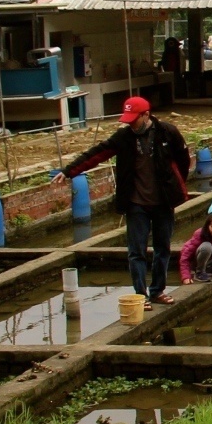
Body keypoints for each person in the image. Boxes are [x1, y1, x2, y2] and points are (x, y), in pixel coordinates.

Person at [58, 96, 190, 305]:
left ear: (146, 115)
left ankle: (157, 291)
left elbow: (183, 160)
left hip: (163, 202)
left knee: (162, 248)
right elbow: (97, 153)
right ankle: (140, 295)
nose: (130, 124)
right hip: (136, 202)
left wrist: (176, 187)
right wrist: (69, 171)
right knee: (136, 252)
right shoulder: (124, 137)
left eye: (133, 119)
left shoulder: (167, 132)